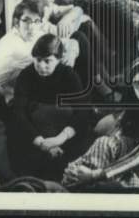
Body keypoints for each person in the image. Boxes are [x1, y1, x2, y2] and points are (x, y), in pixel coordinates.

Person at [9, 34, 87, 180]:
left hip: (64, 135)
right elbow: (19, 112)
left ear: (58, 60)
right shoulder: (26, 76)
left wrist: (60, 139)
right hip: (35, 135)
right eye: (38, 60)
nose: (41, 66)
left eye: (48, 61)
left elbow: (82, 111)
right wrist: (41, 142)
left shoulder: (69, 75)